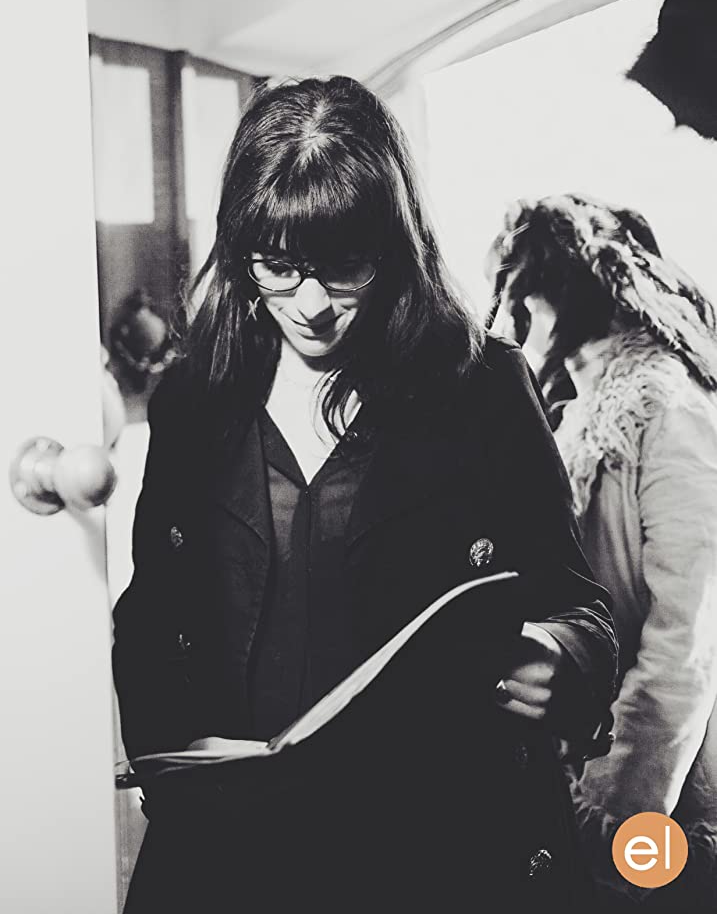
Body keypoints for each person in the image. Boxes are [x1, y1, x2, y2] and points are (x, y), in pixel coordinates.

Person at [112, 79, 617, 914]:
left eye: (344, 266)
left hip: (429, 843)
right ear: (240, 250)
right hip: (232, 849)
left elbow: (578, 602)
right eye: (278, 266)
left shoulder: (484, 387)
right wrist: (176, 761)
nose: (311, 306)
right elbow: (149, 615)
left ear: (394, 242)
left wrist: (561, 655)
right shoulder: (192, 401)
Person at [486, 192, 717, 910]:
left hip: (663, 779)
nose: (513, 319)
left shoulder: (666, 408)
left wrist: (619, 810)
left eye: (521, 293)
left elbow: (688, 635)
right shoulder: (575, 409)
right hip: (584, 757)